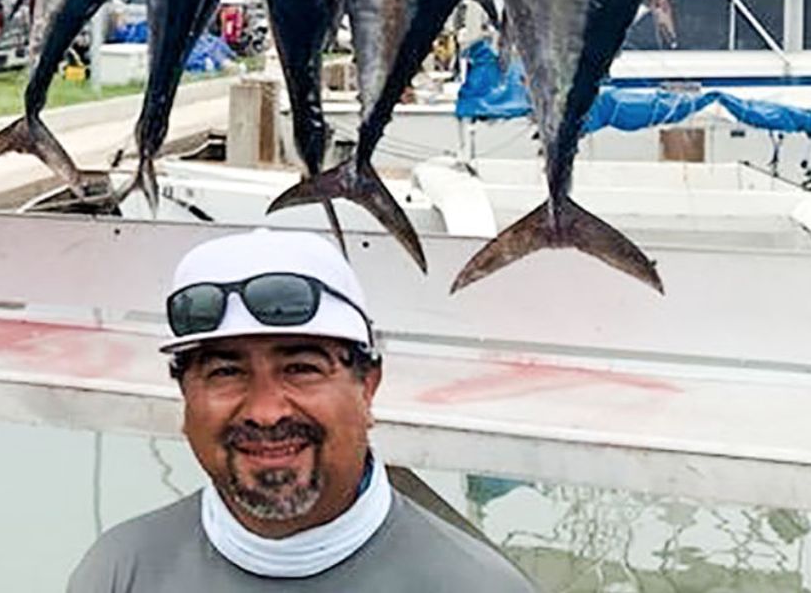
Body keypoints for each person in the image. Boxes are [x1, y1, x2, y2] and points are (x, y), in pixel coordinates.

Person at [67, 229, 535, 592]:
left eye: (301, 368)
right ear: (184, 396)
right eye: (225, 372)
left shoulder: (478, 586)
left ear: (367, 386)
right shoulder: (120, 572)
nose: (266, 411)